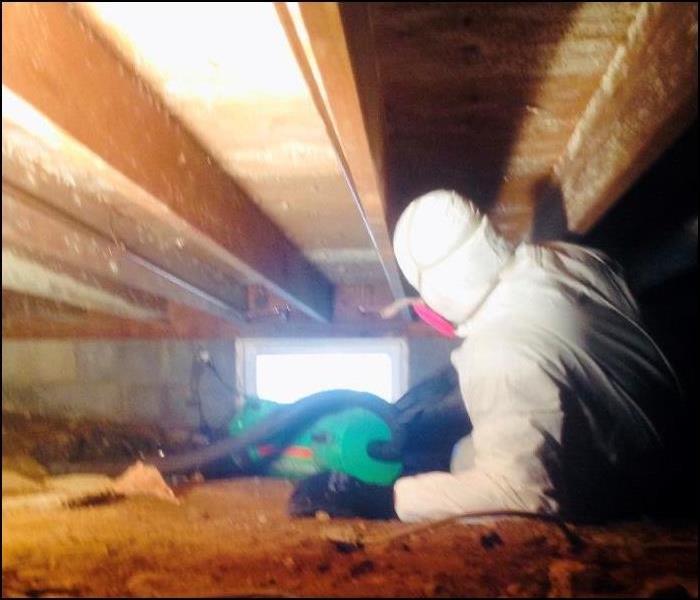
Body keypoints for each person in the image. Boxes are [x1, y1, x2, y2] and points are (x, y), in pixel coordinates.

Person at [289, 189, 683, 523]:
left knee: (466, 461)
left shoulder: (495, 357)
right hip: (671, 428)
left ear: (434, 290)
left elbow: (521, 494)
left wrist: (383, 500)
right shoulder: (563, 259)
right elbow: (532, 334)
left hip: (649, 495)